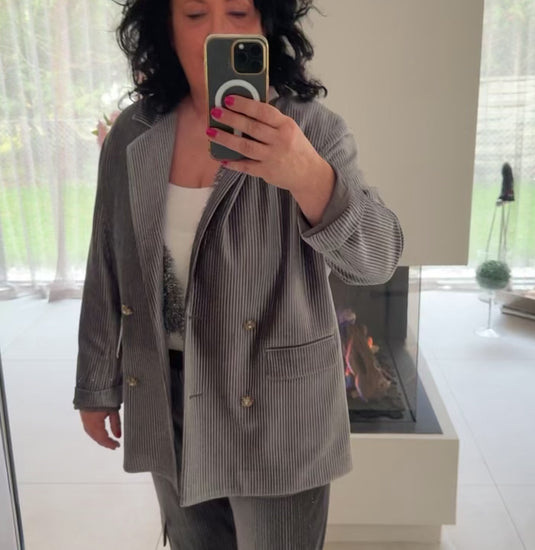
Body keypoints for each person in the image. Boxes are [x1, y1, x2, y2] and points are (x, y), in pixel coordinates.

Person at [73, 0, 404, 548]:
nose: (215, 33)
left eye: (238, 13)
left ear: (266, 27)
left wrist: (309, 176)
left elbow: (377, 258)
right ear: (165, 28)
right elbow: (106, 258)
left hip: (277, 408)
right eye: (194, 15)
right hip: (167, 392)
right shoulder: (133, 133)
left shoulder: (309, 130)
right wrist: (96, 383)